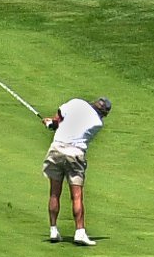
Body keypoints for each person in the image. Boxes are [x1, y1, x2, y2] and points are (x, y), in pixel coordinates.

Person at [42, 96, 111, 246]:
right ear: (103, 113)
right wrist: (54, 124)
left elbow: (58, 118)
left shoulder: (76, 103)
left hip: (57, 149)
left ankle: (53, 229)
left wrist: (51, 124)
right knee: (77, 196)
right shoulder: (98, 123)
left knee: (54, 192)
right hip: (75, 154)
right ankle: (80, 232)